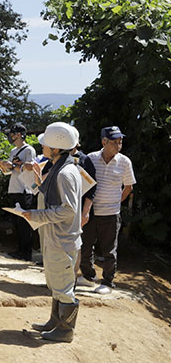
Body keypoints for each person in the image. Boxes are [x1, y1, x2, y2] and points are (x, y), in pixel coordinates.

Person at [23, 122, 82, 343]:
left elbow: (68, 210)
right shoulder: (62, 167)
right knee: (56, 282)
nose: (43, 148)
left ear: (56, 148)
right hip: (56, 237)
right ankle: (55, 321)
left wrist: (36, 216)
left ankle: (65, 330)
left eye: (46, 145)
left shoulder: (65, 173)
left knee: (64, 285)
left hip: (62, 239)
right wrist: (39, 181)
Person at [78, 126, 136, 294]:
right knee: (85, 245)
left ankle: (108, 282)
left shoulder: (125, 161)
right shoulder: (91, 158)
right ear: (104, 142)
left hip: (111, 213)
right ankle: (89, 277)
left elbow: (128, 187)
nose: (118, 145)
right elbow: (84, 183)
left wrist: (117, 201)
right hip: (91, 210)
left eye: (120, 141)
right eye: (114, 142)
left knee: (109, 249)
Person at [0, 123, 36, 261]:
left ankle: (27, 252)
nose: (11, 136)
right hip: (13, 188)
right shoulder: (13, 151)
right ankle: (20, 249)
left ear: (19, 135)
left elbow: (29, 169)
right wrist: (4, 166)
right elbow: (11, 170)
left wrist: (13, 166)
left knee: (24, 222)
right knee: (16, 221)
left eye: (12, 133)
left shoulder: (29, 150)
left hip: (24, 190)